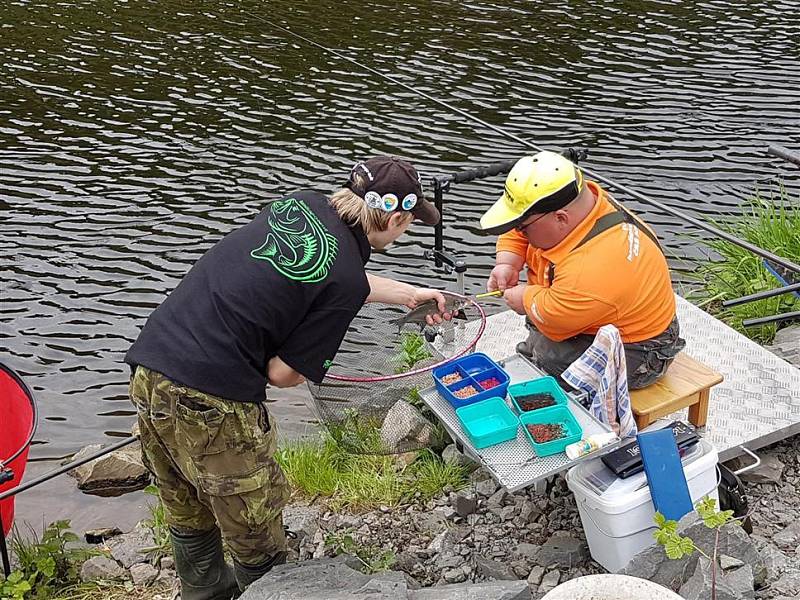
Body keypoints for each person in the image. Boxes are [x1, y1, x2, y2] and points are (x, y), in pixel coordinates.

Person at [125, 156, 451, 599]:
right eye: (409, 223)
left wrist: (408, 294)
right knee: (252, 519)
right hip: (211, 395)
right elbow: (282, 375)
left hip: (152, 365)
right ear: (394, 218)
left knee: (185, 501)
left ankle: (203, 592)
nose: (406, 231)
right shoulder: (345, 282)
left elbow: (323, 270)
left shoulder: (302, 205)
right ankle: (267, 590)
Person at [480, 150, 684, 389]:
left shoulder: (594, 266)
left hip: (642, 347)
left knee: (552, 360)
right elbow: (521, 224)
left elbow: (555, 315)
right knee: (541, 337)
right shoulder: (581, 203)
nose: (519, 231)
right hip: (586, 308)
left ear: (561, 218)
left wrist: (525, 299)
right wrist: (508, 262)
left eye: (523, 228)